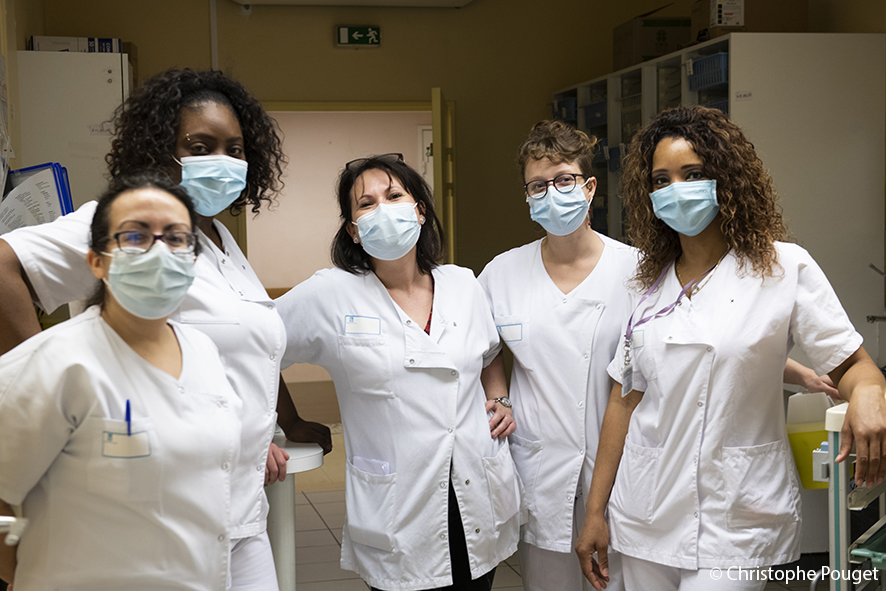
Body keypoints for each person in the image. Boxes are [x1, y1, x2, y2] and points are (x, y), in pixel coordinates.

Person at [0, 68, 331, 590]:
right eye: (200, 146)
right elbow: (3, 266)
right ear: (159, 151)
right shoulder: (118, 226)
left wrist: (262, 428)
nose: (222, 161)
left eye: (235, 148)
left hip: (242, 507)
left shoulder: (217, 238)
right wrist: (41, 382)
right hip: (151, 507)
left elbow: (249, 343)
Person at [575, 106, 886, 591]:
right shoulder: (648, 284)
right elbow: (624, 397)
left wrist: (868, 394)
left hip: (734, 515)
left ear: (725, 179)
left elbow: (856, 366)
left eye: (692, 174)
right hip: (643, 512)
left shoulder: (782, 268)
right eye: (661, 180)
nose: (675, 189)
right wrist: (595, 512)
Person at [275, 154, 522, 591]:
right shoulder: (330, 294)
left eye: (394, 196)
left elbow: (488, 354)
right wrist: (287, 420)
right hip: (399, 504)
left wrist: (499, 398)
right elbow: (255, 349)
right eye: (366, 204)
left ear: (419, 210)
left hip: (475, 488)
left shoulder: (462, 284)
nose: (384, 210)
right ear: (353, 228)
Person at [0, 172, 243, 590]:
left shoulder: (203, 351)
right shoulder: (55, 363)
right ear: (96, 260)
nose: (159, 251)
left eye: (176, 238)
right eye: (135, 237)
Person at [477, 120, 631, 591]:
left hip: (623, 464)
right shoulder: (502, 272)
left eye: (563, 180)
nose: (551, 192)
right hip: (542, 466)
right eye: (538, 185)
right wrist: (499, 397)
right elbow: (481, 350)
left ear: (589, 187)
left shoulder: (637, 269)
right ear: (526, 195)